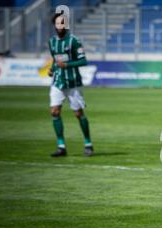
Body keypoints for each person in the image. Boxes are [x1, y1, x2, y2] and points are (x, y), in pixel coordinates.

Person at [48, 12, 93, 157]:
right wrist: (52, 69)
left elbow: (83, 61)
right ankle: (61, 146)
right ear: (54, 25)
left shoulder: (74, 41)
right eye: (57, 23)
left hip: (73, 82)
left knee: (78, 114)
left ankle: (88, 143)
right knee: (54, 111)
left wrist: (66, 65)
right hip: (58, 82)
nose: (60, 26)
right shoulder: (52, 42)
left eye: (62, 23)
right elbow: (56, 61)